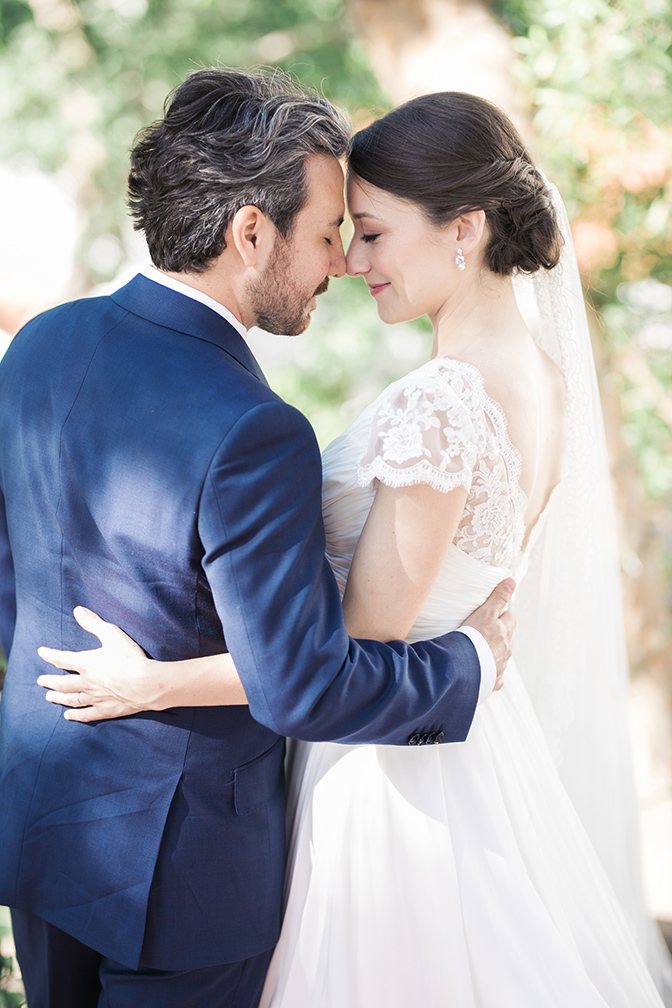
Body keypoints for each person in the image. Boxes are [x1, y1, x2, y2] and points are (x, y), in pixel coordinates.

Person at [38, 91, 672, 1006]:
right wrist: (470, 655)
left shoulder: (443, 402)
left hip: (381, 771)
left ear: (465, 229)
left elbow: (344, 650)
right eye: (345, 232)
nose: (350, 260)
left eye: (370, 233)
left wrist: (155, 683)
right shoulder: (542, 381)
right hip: (452, 745)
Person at [0, 72, 517, 1008]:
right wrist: (470, 664)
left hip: (40, 821)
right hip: (184, 876)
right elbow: (303, 683)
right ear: (250, 233)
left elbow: (12, 579)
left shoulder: (40, 345)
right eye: (326, 234)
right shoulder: (253, 428)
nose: (340, 265)